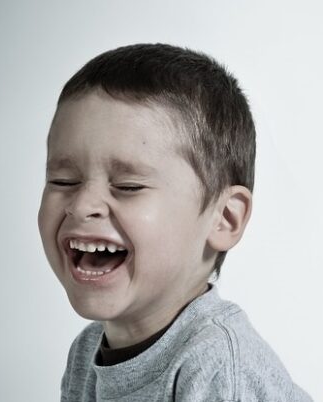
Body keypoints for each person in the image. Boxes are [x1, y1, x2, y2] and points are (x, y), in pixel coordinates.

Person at [38, 43, 313, 401]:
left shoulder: (219, 367)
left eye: (128, 186)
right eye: (63, 181)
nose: (82, 204)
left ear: (224, 218)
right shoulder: (86, 352)